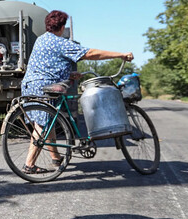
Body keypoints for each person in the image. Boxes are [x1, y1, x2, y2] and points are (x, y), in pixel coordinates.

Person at [21, 10, 134, 173]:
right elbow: (90, 53)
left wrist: (69, 74)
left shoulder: (41, 40)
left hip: (30, 84)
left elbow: (46, 65)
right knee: (41, 125)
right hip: (43, 86)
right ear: (61, 27)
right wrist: (120, 55)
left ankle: (55, 158)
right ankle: (29, 165)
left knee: (48, 120)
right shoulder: (59, 42)